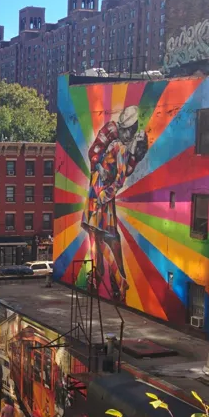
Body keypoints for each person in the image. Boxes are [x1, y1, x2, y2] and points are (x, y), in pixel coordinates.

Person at [81, 105, 148, 301]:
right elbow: (94, 153)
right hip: (98, 191)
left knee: (103, 237)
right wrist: (100, 169)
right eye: (127, 131)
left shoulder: (123, 149)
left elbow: (121, 176)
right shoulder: (112, 135)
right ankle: (114, 280)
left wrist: (104, 194)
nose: (129, 135)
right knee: (100, 236)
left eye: (131, 132)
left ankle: (116, 280)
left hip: (101, 195)